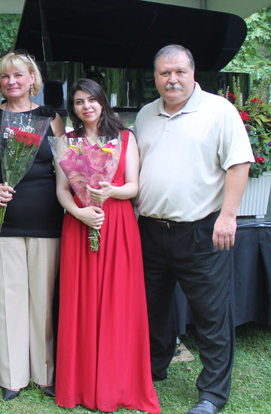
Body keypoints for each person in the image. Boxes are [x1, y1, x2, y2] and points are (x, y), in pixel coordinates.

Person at [134, 45, 254, 414]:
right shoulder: (144, 114)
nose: (172, 79)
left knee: (211, 315)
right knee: (152, 309)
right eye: (164, 73)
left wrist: (228, 216)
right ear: (155, 77)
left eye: (179, 72)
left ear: (193, 72)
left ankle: (212, 394)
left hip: (202, 231)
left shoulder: (219, 110)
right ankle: (154, 369)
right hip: (151, 231)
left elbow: (239, 164)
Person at [54, 78, 160, 413]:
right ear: (73, 109)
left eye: (91, 100)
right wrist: (80, 212)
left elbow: (133, 186)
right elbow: (61, 190)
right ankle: (81, 383)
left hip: (118, 225)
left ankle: (115, 382)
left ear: (103, 102)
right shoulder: (66, 142)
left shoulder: (125, 137)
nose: (86, 107)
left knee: (118, 300)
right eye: (79, 102)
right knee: (81, 300)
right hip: (80, 222)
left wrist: (110, 191)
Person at [0, 50, 65, 401]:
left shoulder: (50, 117)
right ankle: (12, 376)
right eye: (6, 76)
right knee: (7, 299)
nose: (12, 81)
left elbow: (66, 165)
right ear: (0, 82)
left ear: (32, 80)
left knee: (42, 299)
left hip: (46, 220)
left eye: (19, 75)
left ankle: (45, 372)